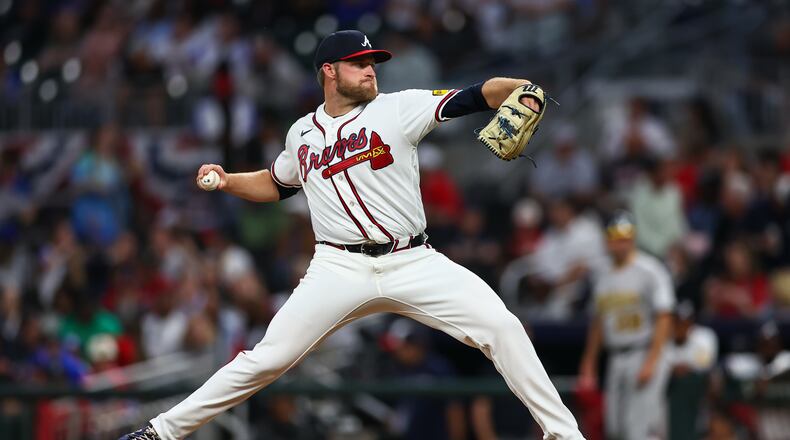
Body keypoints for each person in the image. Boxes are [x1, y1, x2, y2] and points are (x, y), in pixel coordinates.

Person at [121, 30, 584, 440]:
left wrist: (520, 88)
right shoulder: (301, 132)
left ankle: (564, 435)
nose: (370, 71)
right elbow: (278, 182)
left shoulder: (400, 107)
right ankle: (159, 433)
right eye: (359, 64)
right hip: (337, 267)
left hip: (413, 259)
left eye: (373, 63)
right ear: (329, 71)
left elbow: (476, 94)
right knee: (265, 359)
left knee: (502, 326)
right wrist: (227, 180)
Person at [578, 211, 675, 440]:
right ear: (607, 240)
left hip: (644, 349)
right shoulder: (602, 275)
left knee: (640, 429)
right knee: (615, 428)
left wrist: (652, 360)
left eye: (625, 238)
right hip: (616, 355)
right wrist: (589, 361)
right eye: (615, 238)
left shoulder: (650, 269)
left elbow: (664, 316)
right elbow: (599, 321)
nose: (620, 244)